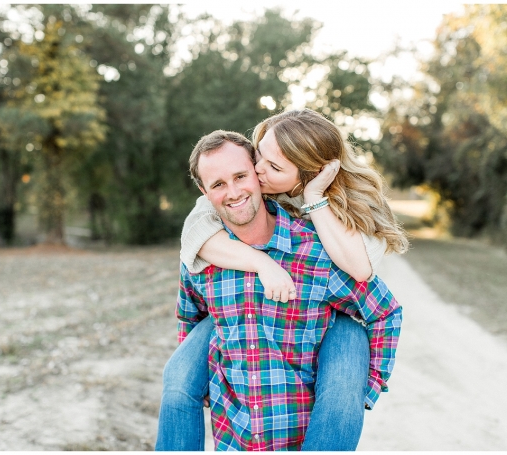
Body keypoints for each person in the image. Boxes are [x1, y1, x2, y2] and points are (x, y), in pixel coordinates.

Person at [156, 110, 408, 450]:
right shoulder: (203, 254)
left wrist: (370, 384)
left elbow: (380, 305)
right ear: (204, 190)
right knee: (177, 376)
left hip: (296, 435)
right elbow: (191, 317)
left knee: (347, 335)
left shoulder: (316, 246)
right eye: (218, 184)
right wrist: (197, 379)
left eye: (243, 174)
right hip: (234, 439)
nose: (235, 190)